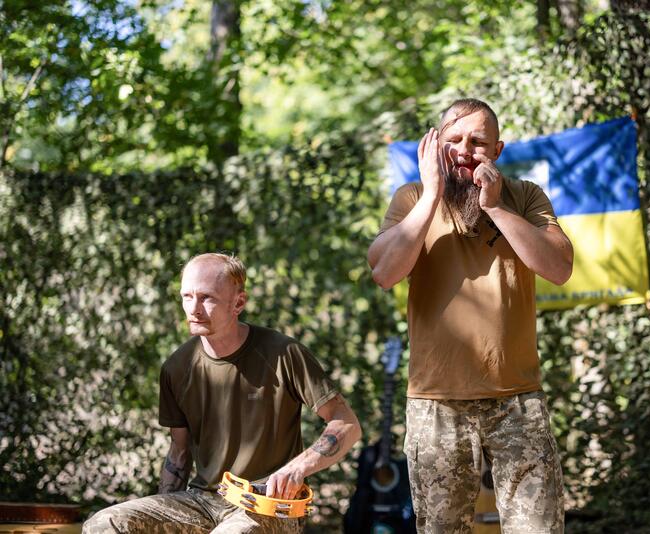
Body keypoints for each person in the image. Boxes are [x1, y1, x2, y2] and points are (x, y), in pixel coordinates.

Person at [367, 98, 573, 534]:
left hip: (517, 399)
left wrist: (497, 206)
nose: (464, 149)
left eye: (477, 142)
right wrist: (432, 195)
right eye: (454, 139)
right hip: (436, 403)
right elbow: (385, 272)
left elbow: (559, 267)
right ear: (435, 145)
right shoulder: (410, 199)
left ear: (496, 151)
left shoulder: (525, 196)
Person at [83, 253, 362, 533]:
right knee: (103, 524)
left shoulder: (283, 354)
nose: (194, 308)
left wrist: (296, 470)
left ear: (238, 302)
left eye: (206, 297)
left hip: (267, 504)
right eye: (186, 296)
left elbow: (346, 423)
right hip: (202, 502)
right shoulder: (176, 368)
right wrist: (164, 506)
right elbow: (179, 453)